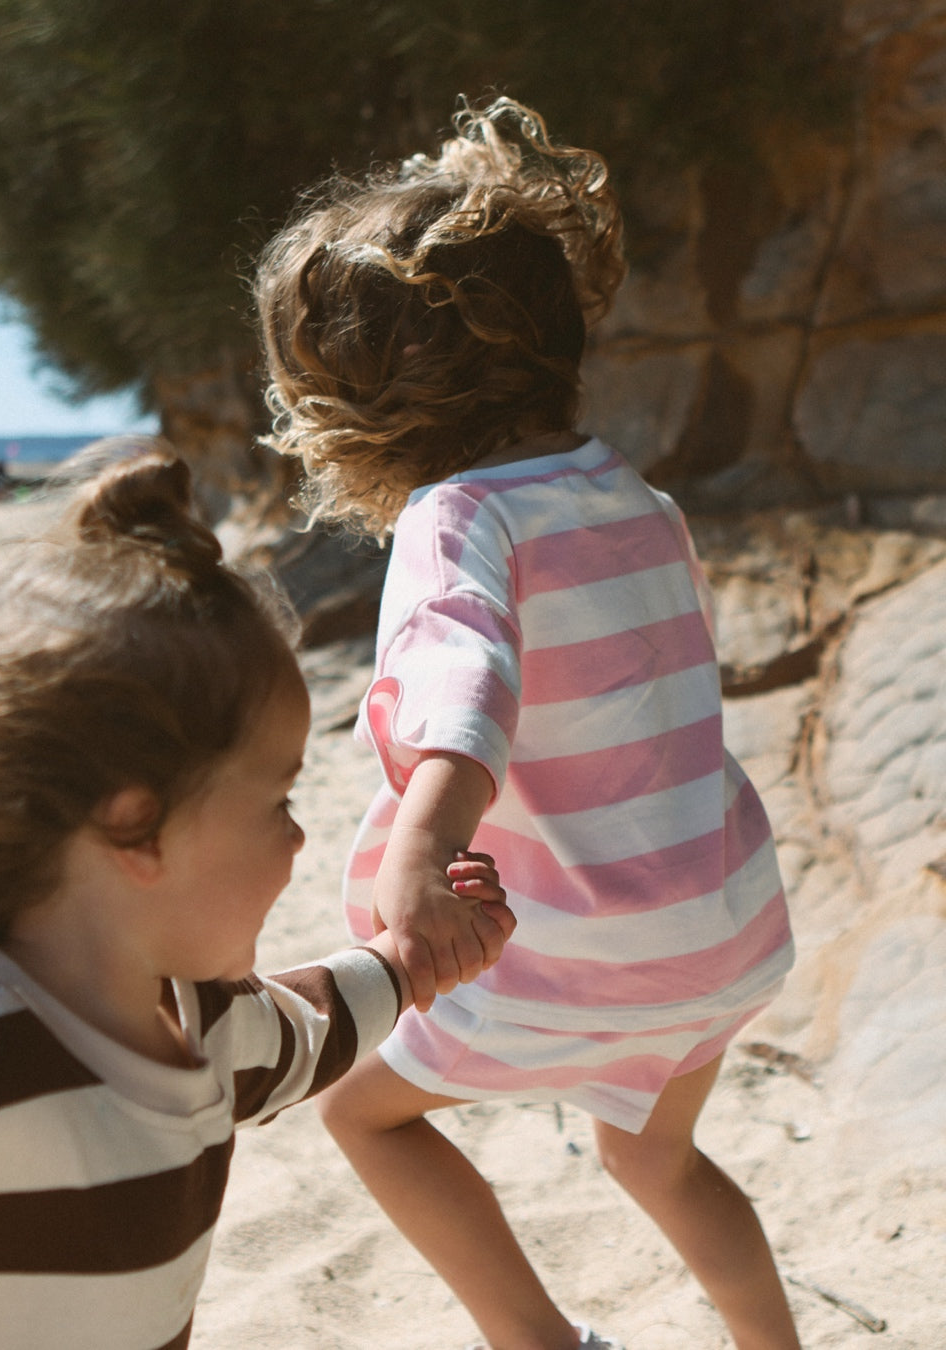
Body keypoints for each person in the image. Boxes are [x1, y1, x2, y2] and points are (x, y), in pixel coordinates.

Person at [254, 97, 800, 1350]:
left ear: (362, 396)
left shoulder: (461, 518)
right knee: (656, 1159)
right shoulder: (640, 498)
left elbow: (471, 689)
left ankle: (535, 1341)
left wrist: (420, 850)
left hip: (575, 946)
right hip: (719, 928)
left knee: (362, 1116)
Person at [0, 443, 510, 1348]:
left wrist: (412, 962)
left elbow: (315, 1029)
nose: (297, 836)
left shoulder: (204, 1027)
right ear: (139, 829)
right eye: (277, 800)